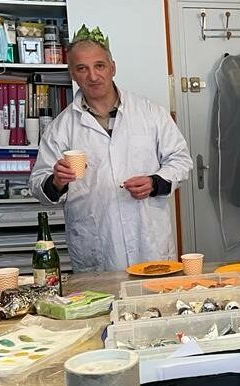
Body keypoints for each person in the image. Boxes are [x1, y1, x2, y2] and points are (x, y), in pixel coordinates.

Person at [29, 25, 193, 272]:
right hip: (96, 246)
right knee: (101, 297)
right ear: (72, 74)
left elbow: (180, 160)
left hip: (148, 240)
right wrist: (56, 181)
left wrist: (155, 182)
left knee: (156, 294)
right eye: (82, 68)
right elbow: (37, 184)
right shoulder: (60, 128)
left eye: (100, 66)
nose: (93, 76)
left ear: (113, 67)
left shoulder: (150, 113)